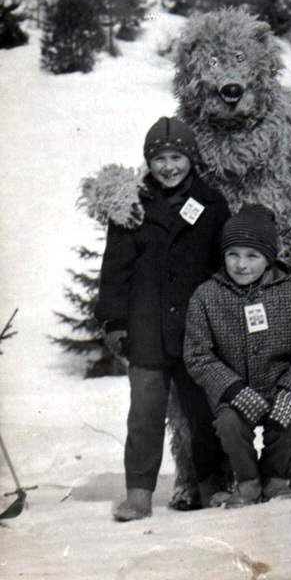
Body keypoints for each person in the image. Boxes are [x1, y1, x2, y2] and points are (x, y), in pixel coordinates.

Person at [96, 116, 230, 520]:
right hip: (146, 331)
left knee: (204, 413)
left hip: (196, 331)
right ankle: (138, 493)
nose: (168, 167)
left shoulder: (211, 203)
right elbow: (114, 270)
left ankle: (214, 486)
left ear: (191, 159)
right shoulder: (131, 206)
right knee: (145, 415)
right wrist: (115, 323)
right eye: (159, 159)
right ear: (148, 162)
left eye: (176, 157)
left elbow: (223, 263)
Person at [184, 205, 291, 508]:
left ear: (269, 259)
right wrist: (231, 389)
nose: (241, 265)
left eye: (253, 256)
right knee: (228, 424)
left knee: (290, 423)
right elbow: (197, 354)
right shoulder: (206, 296)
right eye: (233, 255)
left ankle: (274, 477)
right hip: (235, 391)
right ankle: (248, 481)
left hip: (280, 387)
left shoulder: (290, 293)